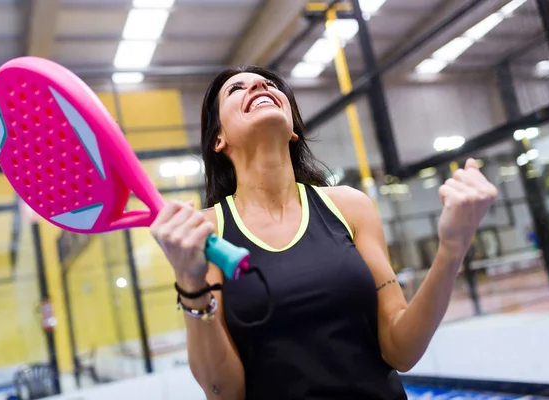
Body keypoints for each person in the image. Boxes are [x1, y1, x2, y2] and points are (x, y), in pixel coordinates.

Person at [150, 66, 498, 400]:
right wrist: (190, 283)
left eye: (270, 86)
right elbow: (224, 393)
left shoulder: (350, 207)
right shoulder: (207, 233)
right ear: (218, 140)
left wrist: (452, 249)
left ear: (292, 131)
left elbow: (401, 350)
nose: (259, 87)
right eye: (236, 89)